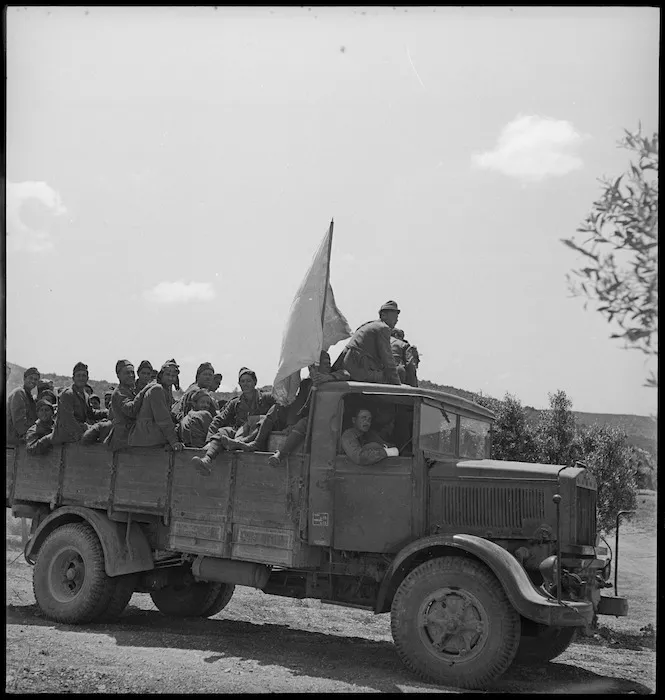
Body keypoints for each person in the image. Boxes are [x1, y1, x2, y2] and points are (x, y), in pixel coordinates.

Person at [192, 367, 275, 470]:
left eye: (248, 381)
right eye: (242, 381)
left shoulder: (266, 398)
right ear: (239, 384)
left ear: (255, 382)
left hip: (256, 435)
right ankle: (207, 459)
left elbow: (281, 403)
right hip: (238, 433)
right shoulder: (235, 403)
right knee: (223, 431)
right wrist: (209, 439)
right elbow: (219, 419)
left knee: (261, 419)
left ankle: (239, 443)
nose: (245, 384)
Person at [332, 300, 402, 385]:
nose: (397, 319)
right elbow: (388, 359)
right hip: (358, 370)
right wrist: (397, 383)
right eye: (394, 316)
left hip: (346, 367)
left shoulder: (370, 325)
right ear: (384, 315)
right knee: (392, 375)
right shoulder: (383, 328)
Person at [128, 359, 184, 451]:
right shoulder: (157, 390)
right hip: (147, 436)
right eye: (167, 375)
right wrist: (174, 441)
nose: (170, 378)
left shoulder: (165, 389)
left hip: (150, 434)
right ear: (161, 375)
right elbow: (163, 419)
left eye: (173, 376)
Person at [52, 362, 109, 444]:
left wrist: (106, 412)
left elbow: (91, 413)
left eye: (83, 375)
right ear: (73, 378)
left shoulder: (85, 395)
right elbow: (68, 421)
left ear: (87, 378)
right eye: (78, 375)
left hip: (77, 435)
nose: (81, 378)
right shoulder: (67, 394)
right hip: (66, 439)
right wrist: (84, 434)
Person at [103, 360, 152, 451]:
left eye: (132, 372)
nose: (131, 375)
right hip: (124, 439)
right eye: (126, 373)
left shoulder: (130, 390)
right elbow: (131, 410)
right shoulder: (119, 393)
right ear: (118, 375)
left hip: (131, 436)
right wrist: (145, 390)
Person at [6, 366, 40, 444]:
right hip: (15, 440)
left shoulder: (29, 396)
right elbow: (19, 422)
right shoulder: (19, 393)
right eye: (30, 378)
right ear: (24, 378)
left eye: (35, 379)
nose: (33, 381)